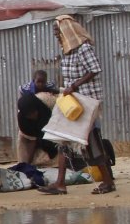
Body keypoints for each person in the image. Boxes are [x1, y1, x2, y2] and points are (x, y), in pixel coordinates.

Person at [41, 15, 118, 196]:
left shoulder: (84, 48)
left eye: (57, 31)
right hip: (73, 102)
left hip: (86, 101)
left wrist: (74, 85)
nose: (55, 35)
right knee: (63, 140)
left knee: (91, 141)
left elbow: (95, 69)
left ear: (67, 30)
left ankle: (108, 181)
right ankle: (60, 184)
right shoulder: (67, 51)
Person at [15, 71, 60, 166]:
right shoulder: (24, 121)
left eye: (42, 82)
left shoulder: (48, 100)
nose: (40, 84)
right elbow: (31, 140)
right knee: (24, 142)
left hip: (47, 125)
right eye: (38, 82)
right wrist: (27, 165)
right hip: (32, 126)